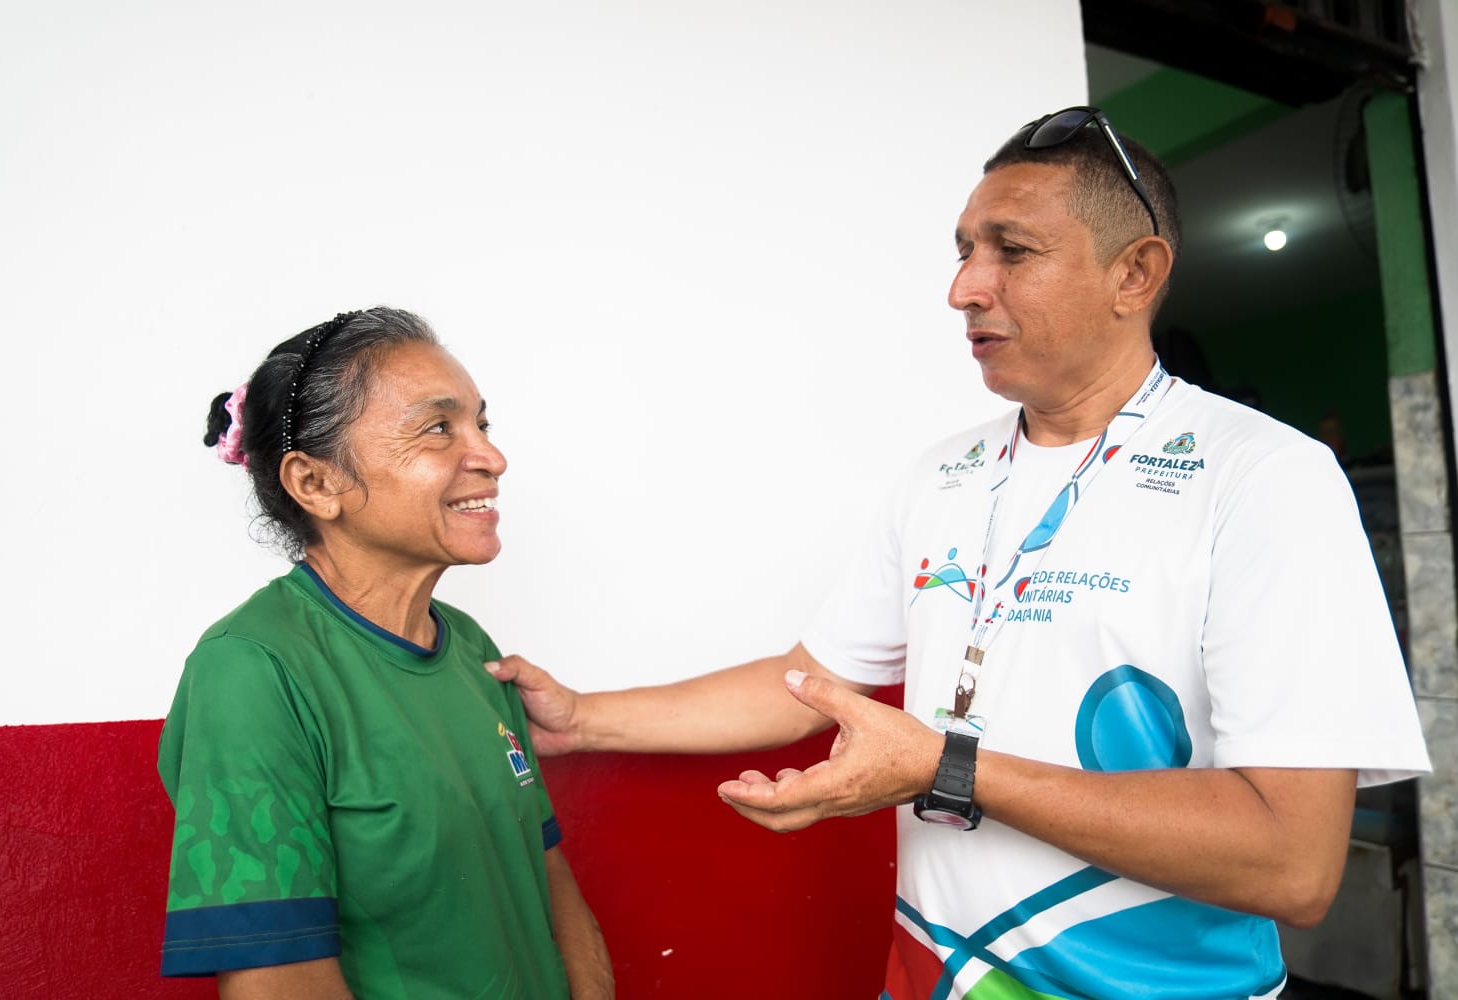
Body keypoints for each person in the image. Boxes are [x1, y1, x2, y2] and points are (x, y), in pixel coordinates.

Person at [488, 108, 1432, 998]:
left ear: (1135, 274)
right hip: (944, 975)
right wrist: (582, 719)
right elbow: (808, 679)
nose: (963, 288)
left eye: (1012, 252)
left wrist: (950, 768)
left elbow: (1293, 862)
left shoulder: (1264, 476)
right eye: (964, 252)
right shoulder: (942, 474)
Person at [158, 307, 613, 999]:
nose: (492, 456)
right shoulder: (252, 670)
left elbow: (547, 882)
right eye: (438, 428)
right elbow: (284, 980)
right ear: (316, 484)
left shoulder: (472, 651)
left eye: (481, 424)